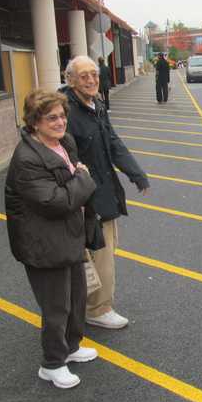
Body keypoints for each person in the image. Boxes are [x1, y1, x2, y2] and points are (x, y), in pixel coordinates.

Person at [5, 89, 99, 389]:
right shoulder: (27, 159)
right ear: (34, 122)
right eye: (51, 118)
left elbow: (70, 191)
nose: (59, 122)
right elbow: (56, 202)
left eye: (62, 116)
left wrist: (78, 183)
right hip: (43, 243)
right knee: (56, 306)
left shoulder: (64, 143)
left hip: (69, 236)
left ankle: (71, 346)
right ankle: (52, 363)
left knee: (77, 297)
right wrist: (84, 179)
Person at [63, 55, 150, 330]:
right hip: (86, 198)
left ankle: (86, 304)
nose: (91, 80)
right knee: (100, 255)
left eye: (94, 74)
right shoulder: (66, 112)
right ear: (70, 80)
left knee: (100, 252)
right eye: (84, 75)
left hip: (104, 192)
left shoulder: (95, 104)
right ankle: (98, 309)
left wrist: (136, 173)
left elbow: (112, 141)